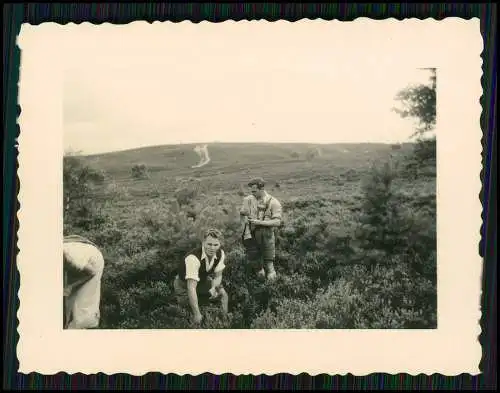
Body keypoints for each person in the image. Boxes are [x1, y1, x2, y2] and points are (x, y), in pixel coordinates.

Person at [173, 228, 229, 324]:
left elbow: (218, 276)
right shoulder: (193, 258)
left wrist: (214, 287)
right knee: (194, 311)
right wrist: (197, 314)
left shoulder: (220, 254)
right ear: (203, 243)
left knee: (223, 294)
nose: (212, 248)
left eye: (216, 245)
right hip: (184, 286)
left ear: (220, 244)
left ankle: (225, 321)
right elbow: (191, 288)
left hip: (202, 281)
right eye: (209, 244)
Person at [240, 177, 282, 281]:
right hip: (250, 236)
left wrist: (260, 223)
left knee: (269, 266)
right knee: (257, 266)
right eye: (251, 191)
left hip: (267, 236)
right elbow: (242, 214)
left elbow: (277, 222)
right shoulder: (247, 200)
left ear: (261, 189)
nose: (252, 193)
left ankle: (272, 290)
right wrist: (244, 229)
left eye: (254, 191)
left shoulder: (274, 202)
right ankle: (260, 287)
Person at [63, 235, 105, 329]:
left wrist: (70, 286)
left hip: (92, 260)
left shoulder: (67, 257)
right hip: (76, 255)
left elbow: (91, 272)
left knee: (81, 313)